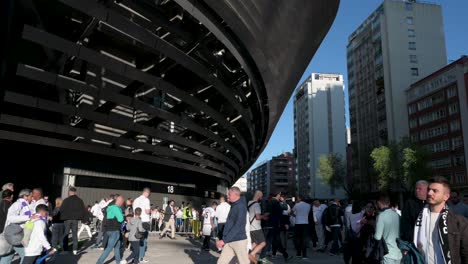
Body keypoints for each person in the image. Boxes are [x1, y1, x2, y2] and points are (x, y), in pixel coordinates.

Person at [413, 177, 468, 264]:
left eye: (435, 191)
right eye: (429, 190)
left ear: (446, 197)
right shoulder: (418, 218)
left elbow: (465, 254)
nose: (430, 193)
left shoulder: (459, 222)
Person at [216, 187, 249, 264]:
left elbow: (238, 226)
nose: (227, 196)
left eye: (229, 194)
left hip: (239, 241)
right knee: (221, 262)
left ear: (236, 195)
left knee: (243, 262)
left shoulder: (240, 206)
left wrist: (224, 240)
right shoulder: (234, 205)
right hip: (230, 241)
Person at [0, 188, 33, 264]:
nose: (32, 198)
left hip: (12, 234)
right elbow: (10, 218)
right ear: (25, 196)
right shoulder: (17, 204)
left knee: (8, 255)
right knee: (26, 255)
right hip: (14, 235)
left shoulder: (24, 205)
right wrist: (28, 218)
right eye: (31, 196)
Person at [96, 195, 125, 264]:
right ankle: (99, 262)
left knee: (117, 247)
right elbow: (121, 219)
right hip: (114, 230)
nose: (122, 204)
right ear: (119, 201)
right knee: (109, 248)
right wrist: (123, 216)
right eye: (122, 202)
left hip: (109, 230)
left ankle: (118, 261)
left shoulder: (110, 207)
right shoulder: (116, 208)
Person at [374, 194, 402, 264]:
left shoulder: (381, 216)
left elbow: (377, 237)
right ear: (389, 203)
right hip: (398, 252)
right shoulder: (397, 215)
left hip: (387, 253)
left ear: (379, 203)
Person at [60, 186, 87, 255]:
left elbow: (62, 209)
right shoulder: (80, 200)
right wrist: (83, 219)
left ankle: (65, 250)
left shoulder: (66, 200)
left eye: (69, 192)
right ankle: (75, 250)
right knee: (75, 234)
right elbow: (83, 210)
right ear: (75, 192)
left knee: (66, 234)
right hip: (75, 219)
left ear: (70, 192)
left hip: (67, 219)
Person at [247, 191, 267, 264]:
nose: (261, 198)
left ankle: (251, 260)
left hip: (250, 228)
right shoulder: (256, 205)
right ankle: (250, 254)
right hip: (256, 227)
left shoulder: (249, 203)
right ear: (258, 195)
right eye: (261, 196)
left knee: (254, 244)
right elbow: (258, 217)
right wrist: (264, 216)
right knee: (263, 243)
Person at [133, 188, 151, 263]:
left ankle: (135, 256)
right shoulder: (146, 200)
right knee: (143, 240)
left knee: (137, 238)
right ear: (147, 192)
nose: (149, 195)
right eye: (149, 194)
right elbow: (147, 211)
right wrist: (150, 211)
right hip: (144, 221)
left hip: (137, 220)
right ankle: (141, 257)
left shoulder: (136, 200)